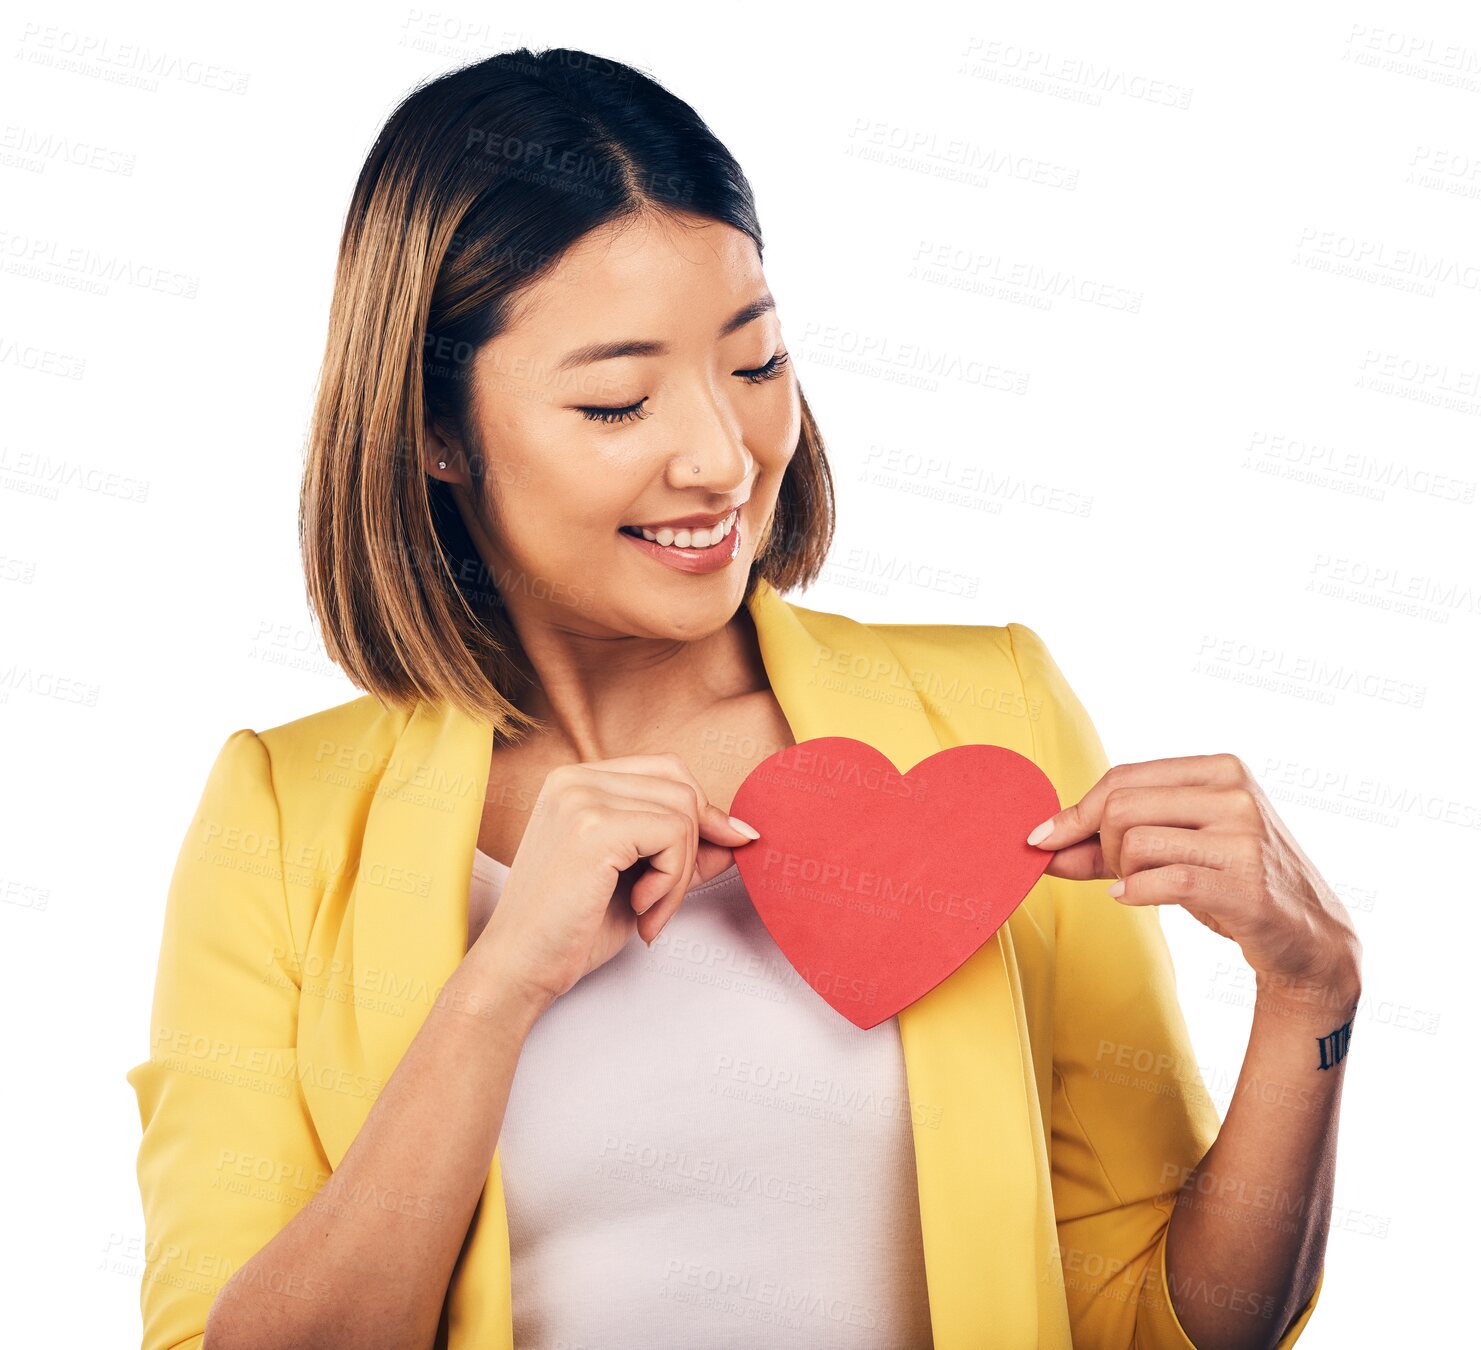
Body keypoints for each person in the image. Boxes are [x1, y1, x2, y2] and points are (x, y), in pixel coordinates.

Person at [125, 47, 1357, 1350]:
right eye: (617, 400)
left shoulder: (986, 715)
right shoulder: (284, 812)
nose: (720, 456)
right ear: (434, 430)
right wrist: (500, 984)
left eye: (755, 365)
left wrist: (1308, 1005)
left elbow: (1158, 1322)